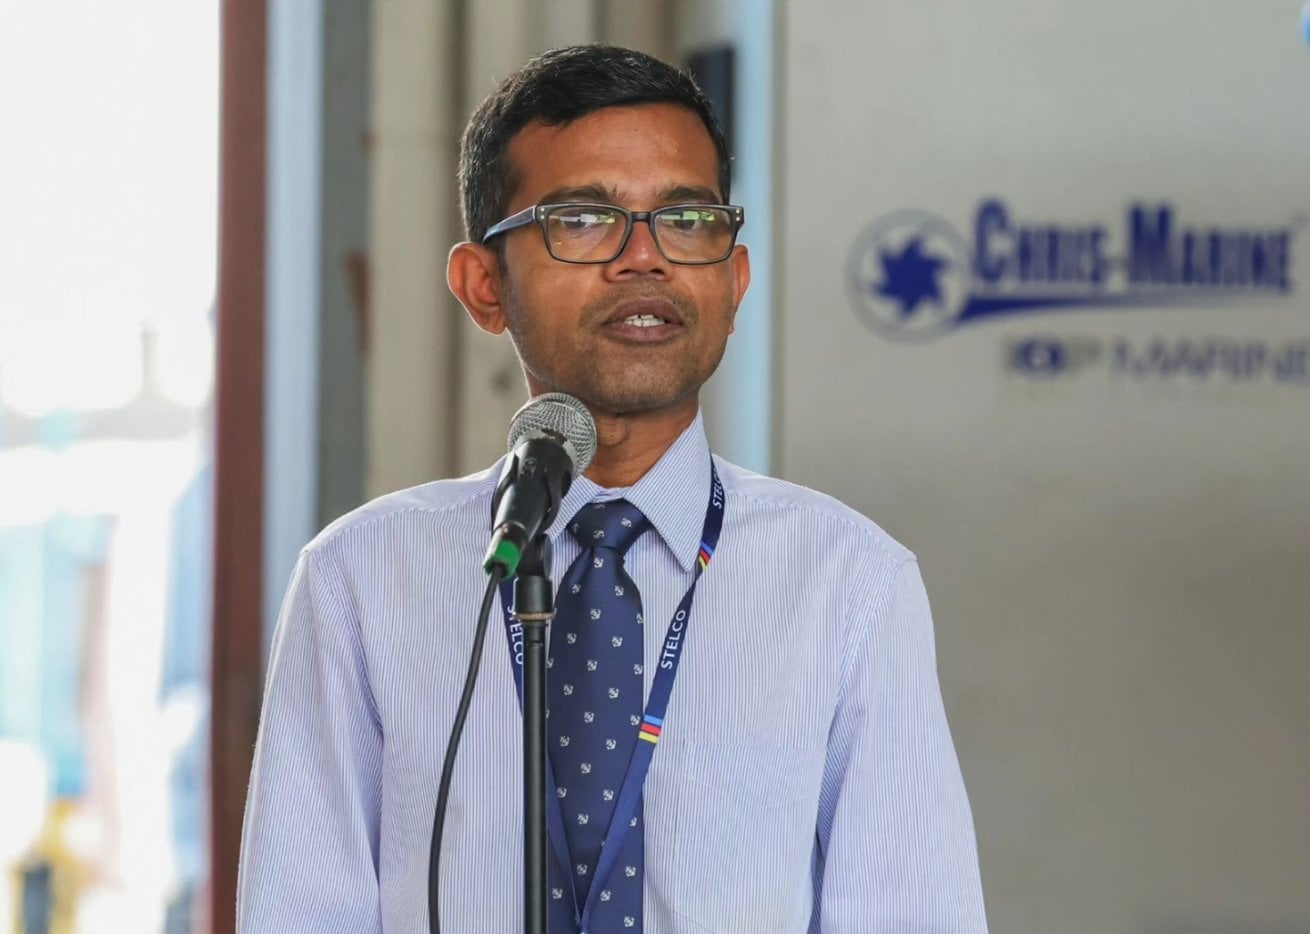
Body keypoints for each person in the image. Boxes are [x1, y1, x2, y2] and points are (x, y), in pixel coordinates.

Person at [237, 45, 988, 934]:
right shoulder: (362, 578)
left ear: (735, 280)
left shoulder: (849, 582)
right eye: (586, 220)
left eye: (687, 219)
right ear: (484, 285)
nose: (645, 259)